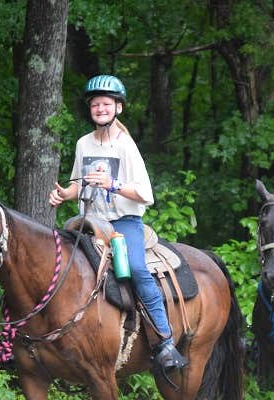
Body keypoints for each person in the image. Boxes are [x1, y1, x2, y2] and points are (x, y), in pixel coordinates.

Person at [49, 74, 188, 371]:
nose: (100, 108)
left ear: (118, 108)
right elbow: (78, 182)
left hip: (123, 222)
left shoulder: (126, 146)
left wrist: (112, 184)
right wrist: (65, 193)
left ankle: (165, 340)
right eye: (95, 104)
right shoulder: (84, 143)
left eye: (106, 104)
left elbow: (145, 194)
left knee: (136, 269)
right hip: (88, 219)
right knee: (57, 259)